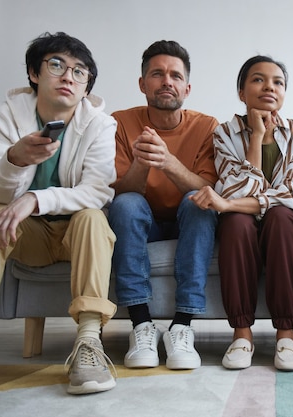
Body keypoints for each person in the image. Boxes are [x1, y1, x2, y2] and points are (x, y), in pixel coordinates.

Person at [0, 32, 118, 397]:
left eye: (80, 72)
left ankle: (88, 345)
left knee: (94, 219)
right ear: (35, 73)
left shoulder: (100, 124)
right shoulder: (4, 115)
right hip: (23, 236)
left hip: (72, 236)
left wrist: (35, 198)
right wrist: (14, 160)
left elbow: (97, 191)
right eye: (57, 66)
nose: (68, 77)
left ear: (85, 87)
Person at [190, 56, 293, 371]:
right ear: (242, 92)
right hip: (242, 217)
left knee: (282, 218)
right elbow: (236, 190)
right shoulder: (224, 134)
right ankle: (242, 333)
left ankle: (287, 333)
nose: (269, 87)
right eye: (258, 80)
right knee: (235, 223)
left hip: (282, 220)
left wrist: (228, 204)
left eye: (278, 82)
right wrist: (256, 137)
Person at [108, 40, 218, 371]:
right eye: (157, 74)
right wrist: (142, 162)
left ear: (187, 87)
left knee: (198, 202)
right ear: (143, 84)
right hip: (144, 222)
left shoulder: (206, 126)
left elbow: (210, 189)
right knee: (126, 204)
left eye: (174, 75)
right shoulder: (120, 123)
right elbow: (116, 193)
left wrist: (167, 162)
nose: (166, 81)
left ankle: (182, 326)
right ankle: (141, 326)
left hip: (189, 218)